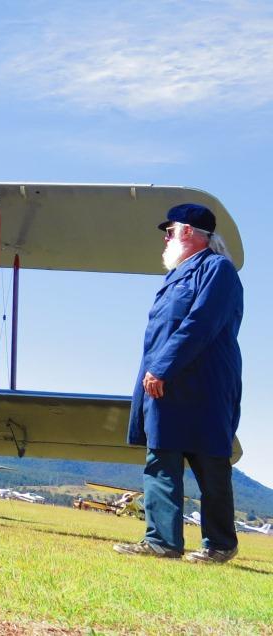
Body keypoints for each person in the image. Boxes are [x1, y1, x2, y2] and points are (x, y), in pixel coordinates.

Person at [114, 203, 243, 564]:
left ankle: (219, 545)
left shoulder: (218, 270)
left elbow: (199, 324)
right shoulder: (174, 278)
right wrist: (153, 376)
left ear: (188, 232)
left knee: (210, 463)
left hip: (203, 386)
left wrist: (161, 368)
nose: (165, 239)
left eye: (168, 232)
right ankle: (162, 541)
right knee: (161, 460)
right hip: (163, 385)